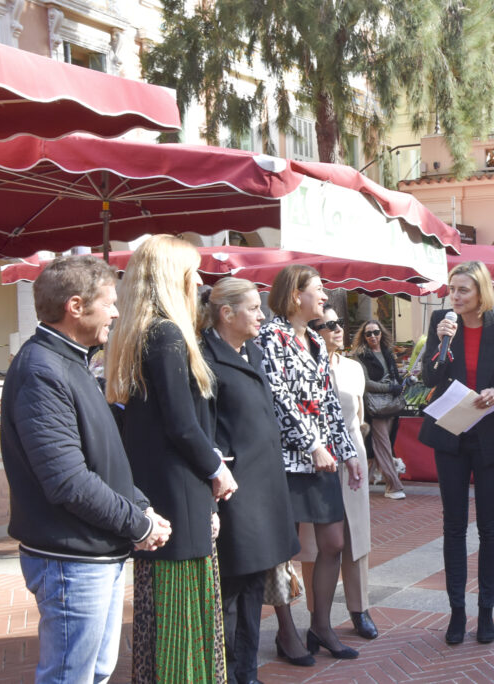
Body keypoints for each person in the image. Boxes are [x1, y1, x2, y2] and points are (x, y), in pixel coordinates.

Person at [1, 255, 171, 684]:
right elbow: (67, 481)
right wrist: (138, 524)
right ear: (75, 306)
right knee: (68, 677)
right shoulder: (42, 368)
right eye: (109, 302)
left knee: (94, 671)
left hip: (94, 550)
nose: (116, 312)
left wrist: (141, 507)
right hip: (70, 558)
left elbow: (104, 455)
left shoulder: (71, 359)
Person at [105, 235, 238, 683]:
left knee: (165, 614)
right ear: (172, 279)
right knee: (182, 618)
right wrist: (216, 471)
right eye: (192, 273)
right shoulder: (165, 333)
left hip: (166, 492)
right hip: (179, 496)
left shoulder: (141, 334)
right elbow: (182, 425)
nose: (199, 283)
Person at [257, 264, 362, 661]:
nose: (325, 296)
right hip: (286, 461)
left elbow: (329, 402)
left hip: (322, 461)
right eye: (318, 290)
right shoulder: (271, 336)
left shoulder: (316, 342)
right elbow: (279, 398)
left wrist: (347, 452)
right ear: (294, 294)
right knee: (284, 549)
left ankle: (321, 626)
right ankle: (287, 632)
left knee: (333, 542)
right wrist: (312, 444)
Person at [419, 260, 494, 645]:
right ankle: (456, 613)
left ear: (481, 292)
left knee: (490, 527)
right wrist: (440, 342)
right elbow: (430, 378)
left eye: (463, 290)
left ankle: (486, 614)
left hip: (490, 436)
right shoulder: (442, 326)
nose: (455, 296)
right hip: (450, 434)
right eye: (452, 289)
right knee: (453, 525)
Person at [199, 277, 299, 684]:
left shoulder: (252, 352)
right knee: (232, 590)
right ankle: (231, 673)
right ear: (227, 313)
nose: (262, 315)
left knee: (255, 584)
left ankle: (247, 672)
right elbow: (204, 429)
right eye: (254, 308)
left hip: (265, 489)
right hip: (235, 492)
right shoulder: (205, 358)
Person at [310, 308, 379, 639]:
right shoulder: (304, 364)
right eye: (330, 324)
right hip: (315, 460)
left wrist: (355, 454)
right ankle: (316, 616)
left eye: (340, 323)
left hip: (353, 457)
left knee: (356, 535)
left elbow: (360, 418)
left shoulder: (354, 368)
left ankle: (360, 608)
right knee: (315, 541)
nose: (339, 329)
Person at [353, 319, 406, 499]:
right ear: (363, 336)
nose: (373, 336)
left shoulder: (387, 353)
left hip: (391, 405)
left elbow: (395, 376)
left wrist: (399, 385)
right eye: (368, 333)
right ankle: (393, 485)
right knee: (382, 446)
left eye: (376, 332)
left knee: (383, 445)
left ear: (381, 333)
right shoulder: (361, 356)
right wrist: (389, 388)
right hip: (375, 408)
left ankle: (361, 484)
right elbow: (366, 383)